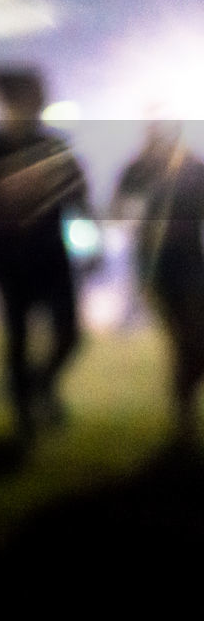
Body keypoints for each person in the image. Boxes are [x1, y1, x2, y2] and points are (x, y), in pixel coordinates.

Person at [0, 65, 91, 442]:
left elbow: (81, 199)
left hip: (52, 257)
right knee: (15, 338)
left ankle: (41, 385)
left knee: (71, 334)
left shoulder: (54, 148)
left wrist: (93, 246)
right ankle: (23, 418)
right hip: (8, 258)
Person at [112, 119, 204, 445]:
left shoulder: (193, 168)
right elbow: (118, 215)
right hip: (156, 271)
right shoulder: (137, 170)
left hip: (195, 267)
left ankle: (184, 416)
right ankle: (184, 419)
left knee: (194, 344)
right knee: (186, 341)